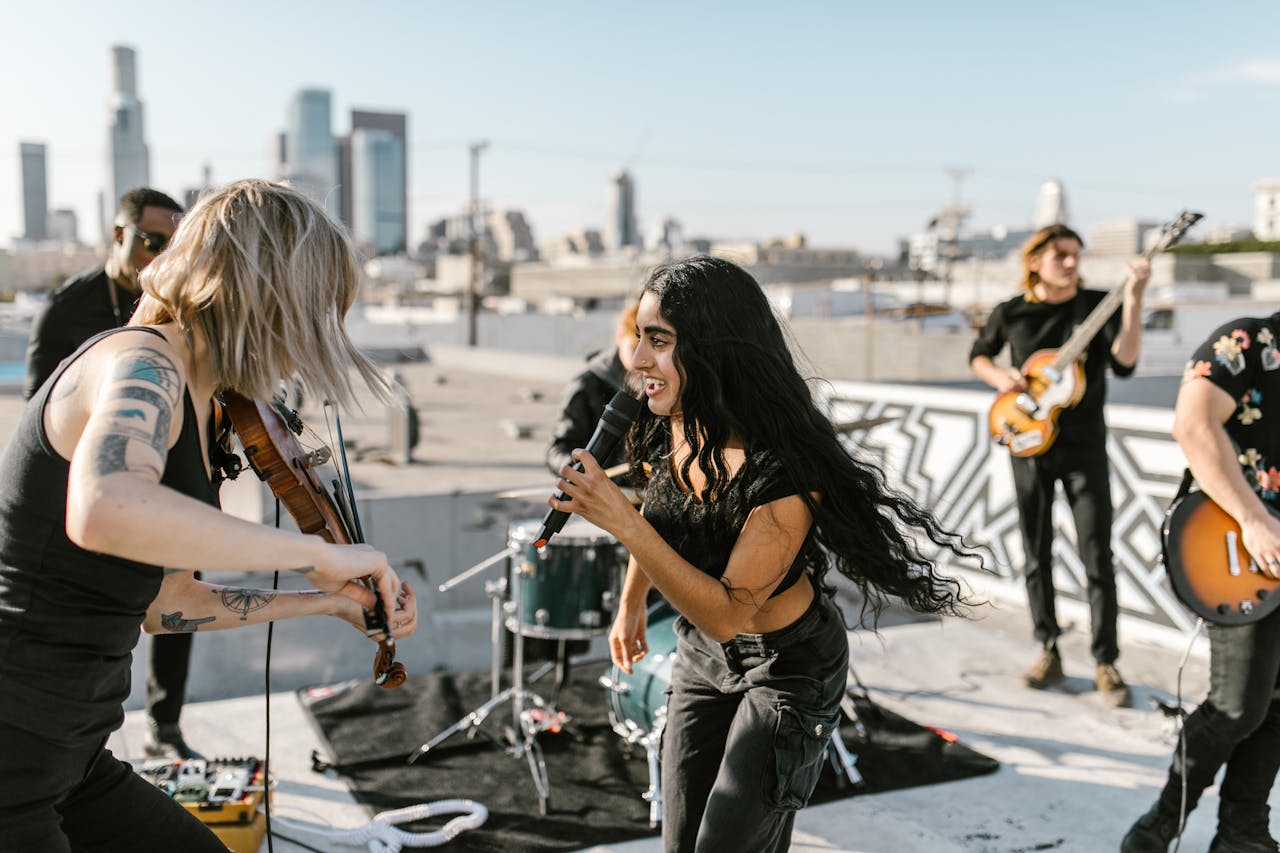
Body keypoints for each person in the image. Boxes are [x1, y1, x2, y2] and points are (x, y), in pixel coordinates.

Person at [0, 179, 418, 853]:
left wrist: (325, 602)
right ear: (268, 295)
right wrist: (319, 553)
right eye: (315, 310)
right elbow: (103, 506)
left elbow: (167, 605)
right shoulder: (143, 361)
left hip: (70, 756)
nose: (311, 340)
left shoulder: (196, 397)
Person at [547, 256, 978, 852]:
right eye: (639, 337)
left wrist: (617, 520)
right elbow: (661, 516)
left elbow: (727, 611)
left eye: (659, 340)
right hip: (702, 656)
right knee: (681, 842)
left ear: (713, 348)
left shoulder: (784, 468)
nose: (639, 359)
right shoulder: (676, 425)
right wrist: (630, 603)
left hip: (788, 669)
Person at [23, 187, 203, 761]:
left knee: (179, 603)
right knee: (104, 615)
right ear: (119, 235)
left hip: (166, 481)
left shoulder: (179, 308)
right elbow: (41, 411)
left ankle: (166, 723)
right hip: (90, 495)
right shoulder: (65, 311)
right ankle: (86, 742)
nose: (162, 257)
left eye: (174, 245)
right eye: (152, 242)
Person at [969, 223, 1150, 707]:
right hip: (1029, 443)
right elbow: (979, 356)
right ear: (1035, 261)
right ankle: (1047, 648)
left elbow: (1126, 362)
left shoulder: (1096, 304)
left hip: (1086, 449)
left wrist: (1133, 299)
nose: (1071, 263)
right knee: (1036, 551)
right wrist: (1002, 379)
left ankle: (1105, 660)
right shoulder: (1013, 311)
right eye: (1060, 255)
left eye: (1075, 255)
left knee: (1098, 555)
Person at [1121, 314, 1280, 852]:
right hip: (1235, 547)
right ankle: (1163, 820)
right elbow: (1192, 425)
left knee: (1278, 702)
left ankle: (1243, 832)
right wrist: (1254, 519)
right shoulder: (1248, 341)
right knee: (1237, 705)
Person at [545, 299, 640, 477]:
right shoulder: (587, 385)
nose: (640, 361)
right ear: (620, 337)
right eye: (634, 348)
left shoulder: (657, 386)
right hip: (595, 495)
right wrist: (578, 471)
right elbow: (557, 449)